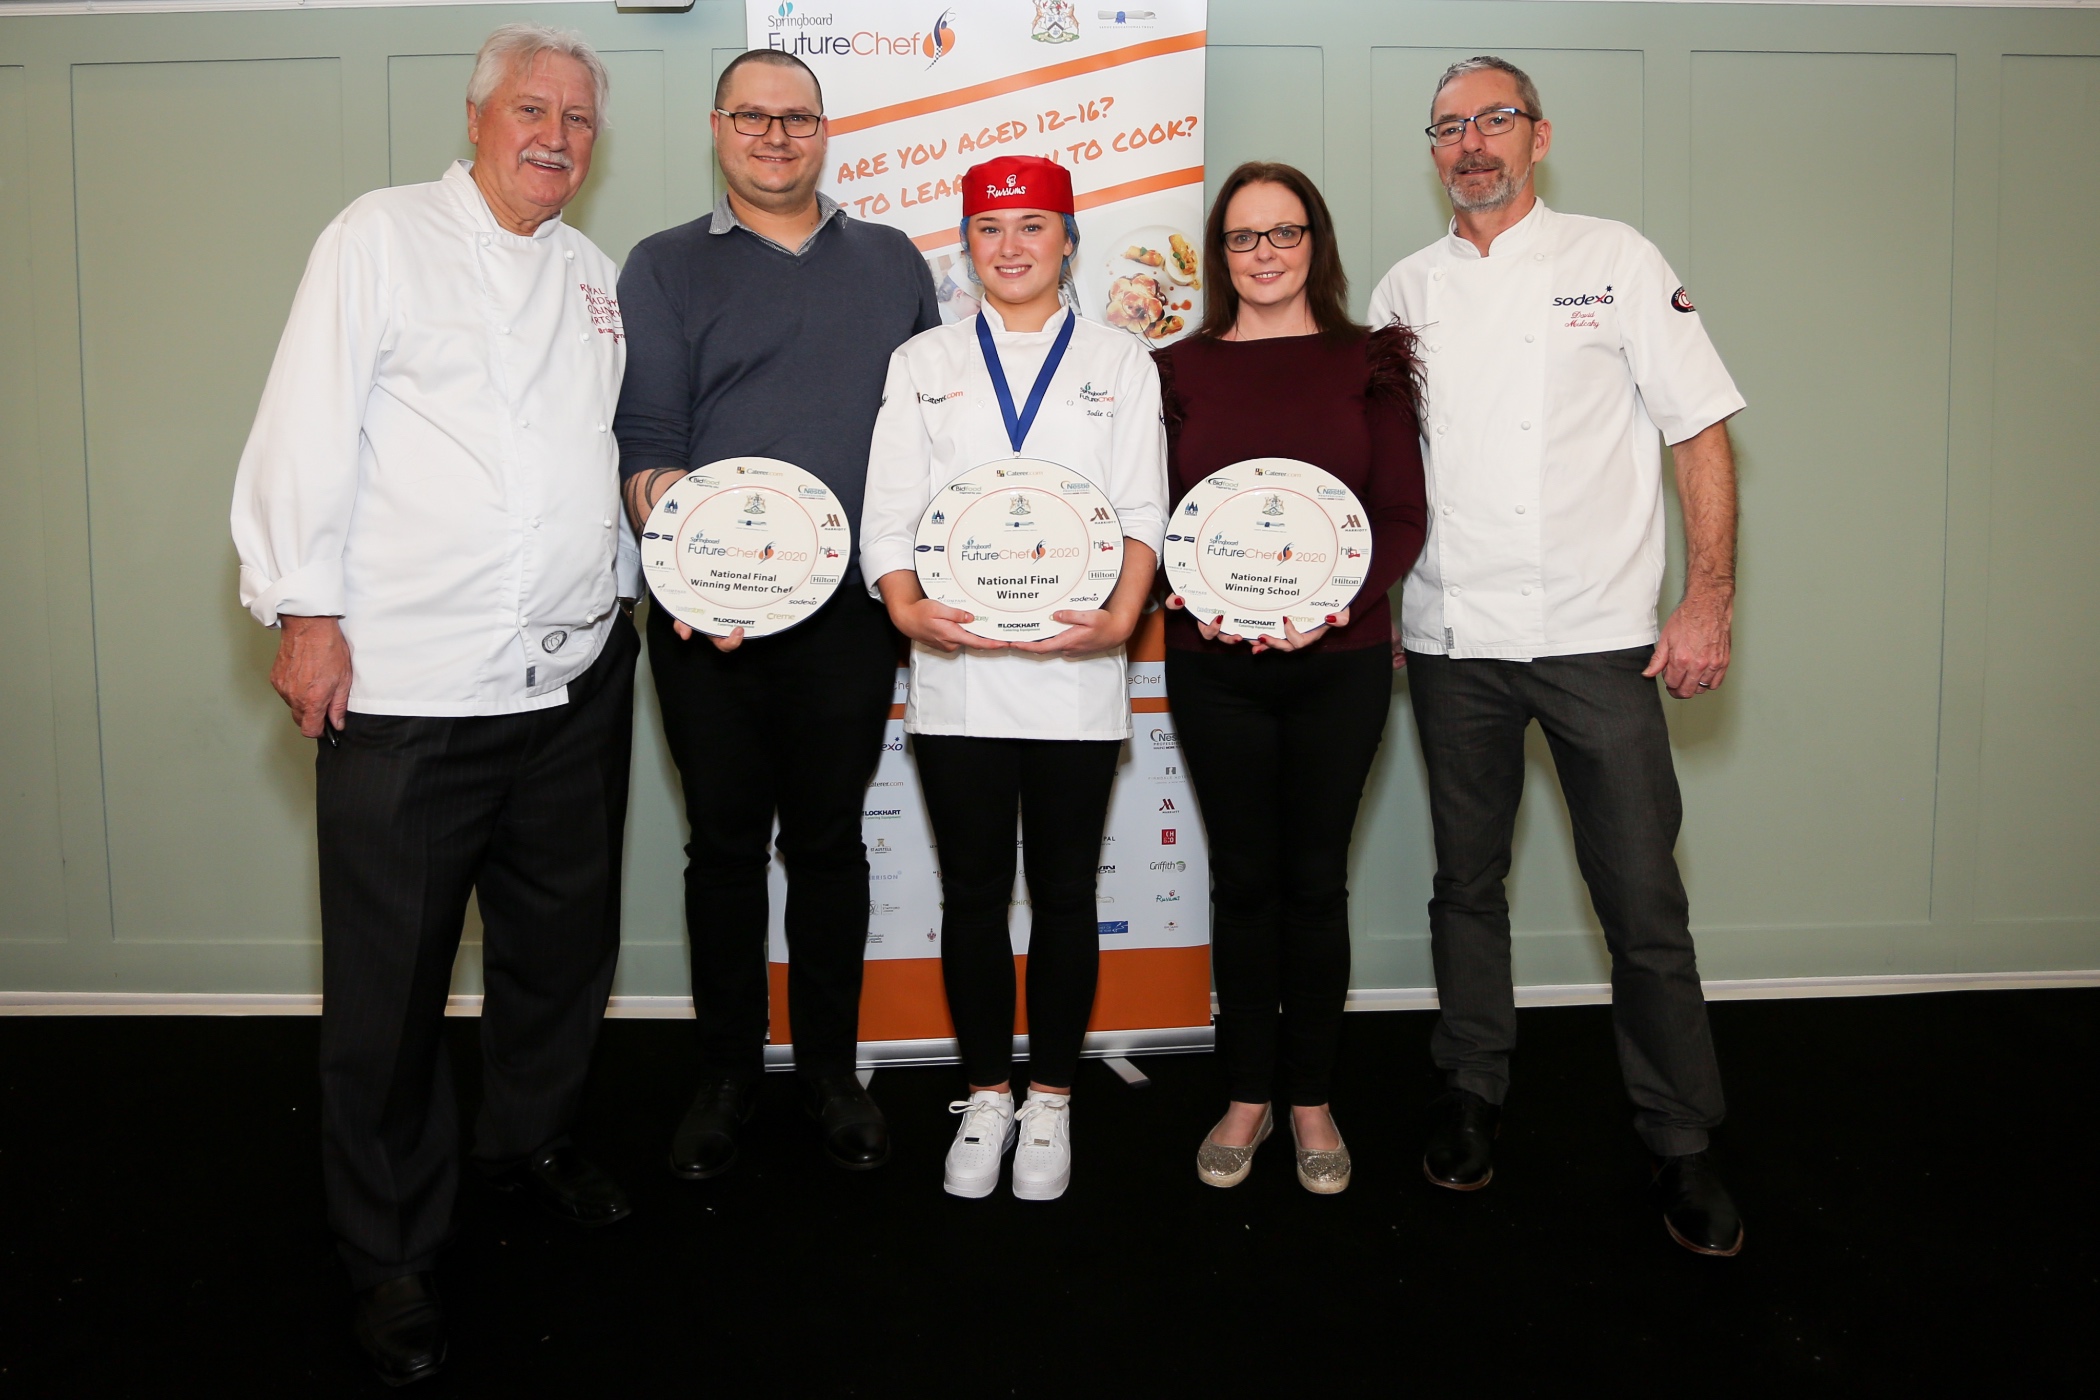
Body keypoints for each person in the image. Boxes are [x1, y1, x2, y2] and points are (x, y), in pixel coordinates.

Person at [230, 24, 636, 1384]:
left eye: (579, 119)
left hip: (574, 678)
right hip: (409, 687)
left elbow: (590, 462)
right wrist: (303, 610)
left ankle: (527, 1140)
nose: (558, 136)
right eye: (534, 108)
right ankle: (390, 1246)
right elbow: (303, 424)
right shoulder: (379, 237)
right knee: (391, 987)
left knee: (557, 947)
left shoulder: (590, 277)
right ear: (477, 118)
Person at [1367, 55, 1747, 1255]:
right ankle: (1471, 1090)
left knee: (1641, 896)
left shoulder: (1616, 259)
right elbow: (1384, 471)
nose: (1471, 143)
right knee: (1464, 884)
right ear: (1432, 151)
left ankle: (1681, 1138)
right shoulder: (1403, 287)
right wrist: (1379, 603)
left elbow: (1700, 431)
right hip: (1449, 638)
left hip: (1600, 642)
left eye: (1494, 120)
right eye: (1449, 128)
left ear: (1539, 135)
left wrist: (1709, 599)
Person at [613, 50, 938, 1179]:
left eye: (796, 117)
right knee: (722, 849)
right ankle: (726, 1073)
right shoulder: (660, 266)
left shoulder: (894, 262)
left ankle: (834, 1071)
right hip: (710, 621)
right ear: (718, 129)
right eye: (752, 116)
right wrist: (698, 566)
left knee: (831, 844)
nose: (775, 134)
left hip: (849, 617)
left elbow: (923, 441)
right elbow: (648, 445)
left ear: (824, 130)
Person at [861, 156, 1168, 1201]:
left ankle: (1053, 1097)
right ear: (967, 242)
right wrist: (903, 603)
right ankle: (987, 1089)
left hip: (1079, 667)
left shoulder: (1124, 359)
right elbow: (889, 509)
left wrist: (1124, 617)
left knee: (1071, 892)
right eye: (990, 228)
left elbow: (1141, 509)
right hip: (957, 671)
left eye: (1032, 225)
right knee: (976, 891)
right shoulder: (923, 360)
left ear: (1068, 239)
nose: (1011, 246)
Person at [1157, 162, 1428, 1195]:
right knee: (1243, 878)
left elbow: (1401, 514)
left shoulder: (1373, 360)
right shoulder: (1172, 370)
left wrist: (1337, 608)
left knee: (1316, 880)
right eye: (1242, 237)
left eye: (1284, 232)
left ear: (1316, 240)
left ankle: (1311, 1093)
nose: (1265, 253)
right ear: (1220, 255)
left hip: (1342, 664)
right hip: (1212, 667)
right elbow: (1153, 517)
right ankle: (1247, 1091)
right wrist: (1175, 590)